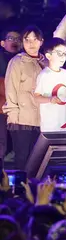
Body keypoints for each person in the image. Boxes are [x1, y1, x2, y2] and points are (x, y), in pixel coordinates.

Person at [3, 26, 46, 169]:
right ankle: (21, 189)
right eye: (27, 40)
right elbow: (11, 90)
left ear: (41, 41)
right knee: (23, 159)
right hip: (22, 119)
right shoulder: (17, 62)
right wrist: (13, 116)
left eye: (35, 39)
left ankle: (37, 189)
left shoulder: (46, 62)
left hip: (43, 119)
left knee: (39, 159)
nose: (31, 43)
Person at [33, 38, 66, 133]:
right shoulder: (44, 75)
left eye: (65, 54)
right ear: (48, 55)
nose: (63, 57)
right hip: (50, 123)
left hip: (65, 119)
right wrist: (50, 99)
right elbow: (36, 97)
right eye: (59, 54)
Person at [0, 28, 21, 158]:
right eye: (11, 38)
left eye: (18, 39)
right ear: (2, 43)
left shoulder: (22, 59)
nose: (15, 41)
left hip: (20, 108)